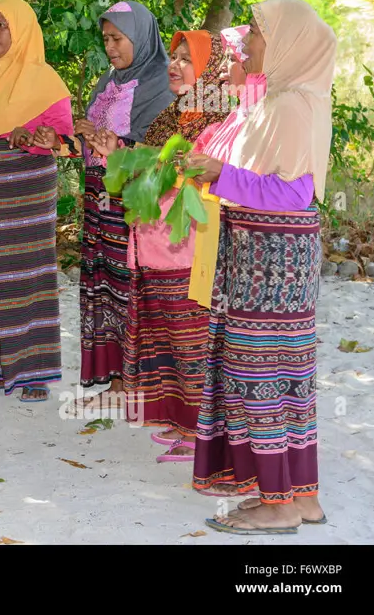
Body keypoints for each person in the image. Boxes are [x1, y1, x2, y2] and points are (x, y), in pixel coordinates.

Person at [185, 0, 333, 534]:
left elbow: (294, 192)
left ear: (290, 42)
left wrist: (218, 173)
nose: (248, 44)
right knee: (290, 379)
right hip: (274, 252)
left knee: (258, 376)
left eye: (260, 35)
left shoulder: (290, 106)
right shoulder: (295, 99)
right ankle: (303, 496)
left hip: (270, 257)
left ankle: (277, 505)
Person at [86, 30, 229, 460]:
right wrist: (118, 150)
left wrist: (135, 157)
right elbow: (150, 161)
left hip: (188, 245)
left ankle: (201, 431)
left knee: (192, 338)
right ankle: (181, 421)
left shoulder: (218, 119)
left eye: (188, 59)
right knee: (165, 335)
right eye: (176, 55)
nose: (176, 64)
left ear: (210, 70)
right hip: (154, 244)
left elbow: (184, 172)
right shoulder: (175, 114)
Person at [71, 1, 175, 412]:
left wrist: (116, 145)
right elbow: (96, 142)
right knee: (104, 284)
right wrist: (78, 137)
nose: (110, 48)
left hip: (131, 201)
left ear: (141, 37)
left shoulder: (160, 86)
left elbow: (161, 152)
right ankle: (116, 381)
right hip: (100, 197)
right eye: (105, 39)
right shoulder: (108, 82)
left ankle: (139, 383)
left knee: (131, 286)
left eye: (117, 39)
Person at [0, 0, 73, 403]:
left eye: (2, 25)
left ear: (22, 31)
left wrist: (35, 136)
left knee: (27, 270)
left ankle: (33, 371)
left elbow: (63, 138)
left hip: (28, 181)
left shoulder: (45, 79)